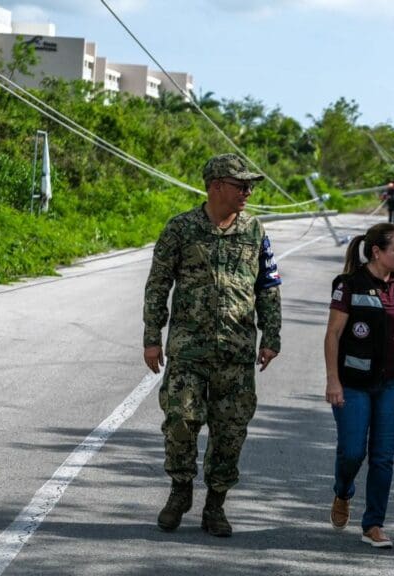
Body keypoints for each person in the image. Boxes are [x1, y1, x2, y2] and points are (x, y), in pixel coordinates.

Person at [143, 153, 282, 537]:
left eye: (250, 186)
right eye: (241, 185)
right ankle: (180, 491)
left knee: (230, 430)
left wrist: (271, 336)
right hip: (188, 348)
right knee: (180, 421)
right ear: (217, 186)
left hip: (236, 351)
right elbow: (158, 285)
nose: (248, 191)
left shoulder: (255, 231)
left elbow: (268, 287)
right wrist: (152, 337)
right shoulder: (180, 228)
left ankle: (216, 505)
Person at [324, 222, 394, 549]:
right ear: (376, 252)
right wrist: (333, 380)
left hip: (393, 385)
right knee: (353, 452)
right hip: (353, 384)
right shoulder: (349, 284)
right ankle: (343, 491)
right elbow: (333, 335)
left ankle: (373, 524)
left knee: (383, 458)